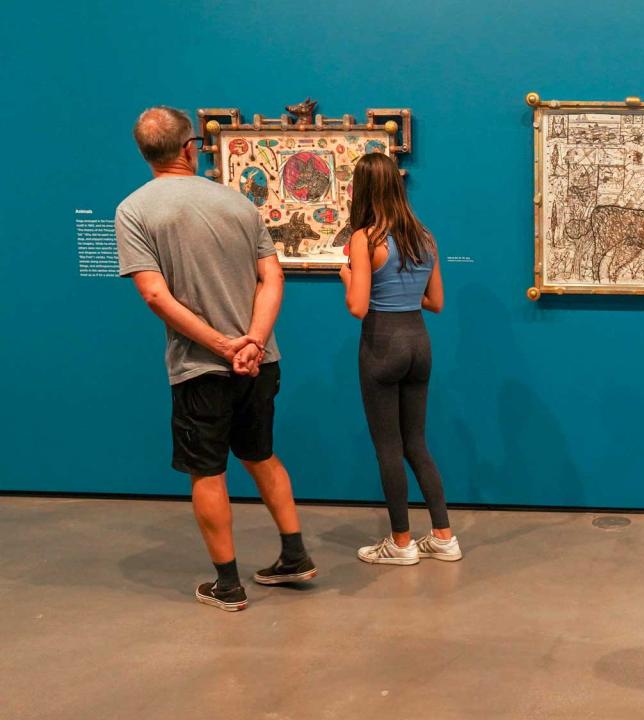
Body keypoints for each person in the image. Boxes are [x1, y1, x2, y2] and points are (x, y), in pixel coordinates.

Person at [116, 107, 317, 612]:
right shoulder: (237, 203)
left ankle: (227, 585)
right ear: (189, 148)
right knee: (261, 455)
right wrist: (250, 340)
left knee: (207, 471)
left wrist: (223, 346)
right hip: (260, 360)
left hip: (200, 366)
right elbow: (272, 277)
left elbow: (156, 297)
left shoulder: (134, 211)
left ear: (145, 153)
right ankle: (294, 556)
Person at [339, 152, 460, 565]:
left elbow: (357, 306)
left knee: (388, 447)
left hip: (381, 342)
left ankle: (401, 542)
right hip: (418, 343)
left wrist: (349, 277)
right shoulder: (424, 237)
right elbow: (436, 302)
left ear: (362, 189)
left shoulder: (364, 238)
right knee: (416, 444)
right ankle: (443, 535)